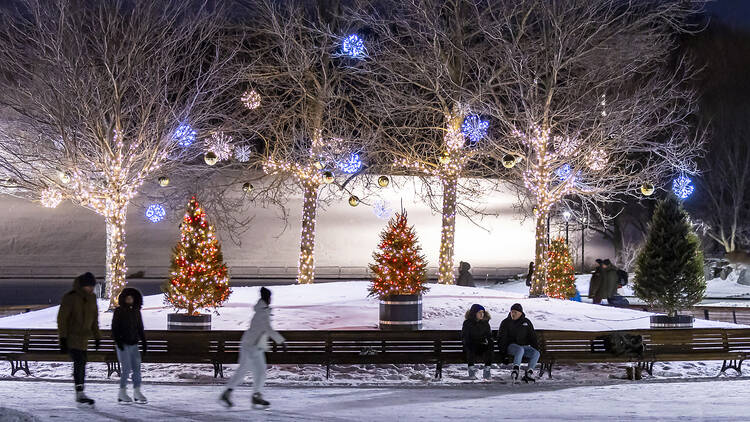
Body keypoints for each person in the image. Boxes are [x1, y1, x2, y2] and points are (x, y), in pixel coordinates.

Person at [220, 287, 285, 409]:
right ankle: (228, 393)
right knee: (244, 371)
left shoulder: (263, 310)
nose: (271, 299)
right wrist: (281, 341)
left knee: (260, 372)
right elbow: (268, 329)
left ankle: (256, 396)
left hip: (256, 347)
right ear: (267, 298)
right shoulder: (262, 312)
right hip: (250, 347)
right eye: (270, 297)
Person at [57, 272, 101, 406]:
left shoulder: (92, 298)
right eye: (89, 286)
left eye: (92, 286)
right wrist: (63, 339)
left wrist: (97, 336)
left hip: (84, 339)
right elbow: (62, 319)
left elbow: (94, 319)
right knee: (80, 361)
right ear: (82, 286)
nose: (91, 289)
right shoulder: (70, 298)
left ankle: (80, 392)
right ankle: (80, 392)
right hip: (71, 337)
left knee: (82, 362)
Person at [111, 287, 147, 404]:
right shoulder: (119, 311)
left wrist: (144, 341)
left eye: (131, 298)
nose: (129, 299)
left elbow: (140, 328)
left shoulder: (136, 311)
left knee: (137, 369)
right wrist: (119, 341)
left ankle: (137, 391)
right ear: (124, 299)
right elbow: (115, 328)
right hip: (123, 344)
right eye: (127, 298)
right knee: (126, 369)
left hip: (134, 344)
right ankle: (122, 392)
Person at [497, 303, 540, 383]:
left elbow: (532, 337)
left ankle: (529, 373)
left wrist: (536, 347)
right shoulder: (506, 322)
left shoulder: (526, 322)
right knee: (520, 349)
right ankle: (515, 370)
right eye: (512, 312)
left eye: (515, 312)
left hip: (523, 347)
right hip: (510, 347)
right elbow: (502, 339)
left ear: (520, 313)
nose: (513, 314)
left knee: (536, 353)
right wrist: (504, 354)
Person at [461, 304, 493, 379]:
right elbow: (465, 336)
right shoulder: (467, 323)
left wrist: (489, 343)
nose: (481, 314)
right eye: (479, 312)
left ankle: (487, 370)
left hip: (481, 345)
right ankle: (471, 370)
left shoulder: (485, 323)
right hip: (471, 345)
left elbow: (489, 336)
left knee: (489, 347)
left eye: (482, 312)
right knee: (470, 346)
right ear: (474, 313)